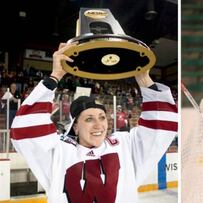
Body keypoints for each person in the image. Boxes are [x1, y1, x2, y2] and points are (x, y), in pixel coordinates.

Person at [10, 42, 178, 203]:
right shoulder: (58, 152)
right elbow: (25, 130)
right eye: (89, 119)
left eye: (102, 117)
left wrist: (144, 80)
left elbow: (160, 129)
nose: (99, 125)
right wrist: (55, 76)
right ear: (75, 126)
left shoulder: (125, 145)